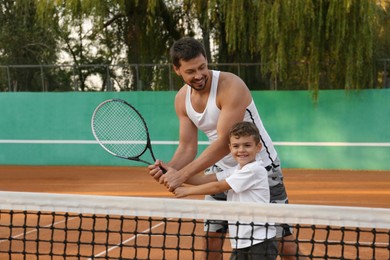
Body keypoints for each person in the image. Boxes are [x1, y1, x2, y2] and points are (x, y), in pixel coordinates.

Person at [148, 36, 301, 259]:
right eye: (191, 71)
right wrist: (169, 168)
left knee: (284, 245)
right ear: (177, 70)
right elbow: (187, 146)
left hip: (261, 168)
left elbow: (223, 143)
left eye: (202, 67)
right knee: (211, 240)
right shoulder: (182, 99)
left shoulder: (230, 86)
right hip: (221, 171)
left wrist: (181, 175)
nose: (199, 75)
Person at [173, 121, 278, 260]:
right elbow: (207, 179)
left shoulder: (255, 170)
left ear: (258, 147)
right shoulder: (237, 169)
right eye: (236, 146)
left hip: (260, 241)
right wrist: (174, 174)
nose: (241, 150)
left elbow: (218, 186)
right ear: (230, 148)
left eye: (247, 145)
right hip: (241, 241)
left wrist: (186, 191)